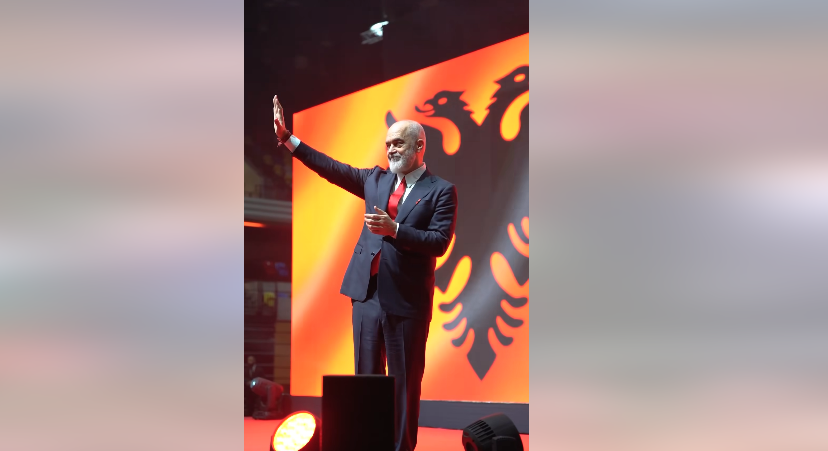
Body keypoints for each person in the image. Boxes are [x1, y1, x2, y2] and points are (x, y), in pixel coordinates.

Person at [272, 95, 458, 451]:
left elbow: (438, 242)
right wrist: (288, 139)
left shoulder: (441, 191)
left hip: (406, 301)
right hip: (367, 296)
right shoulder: (375, 180)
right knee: (366, 380)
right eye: (388, 144)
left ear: (419, 146)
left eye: (398, 143)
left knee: (404, 384)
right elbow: (330, 167)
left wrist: (395, 230)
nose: (390, 149)